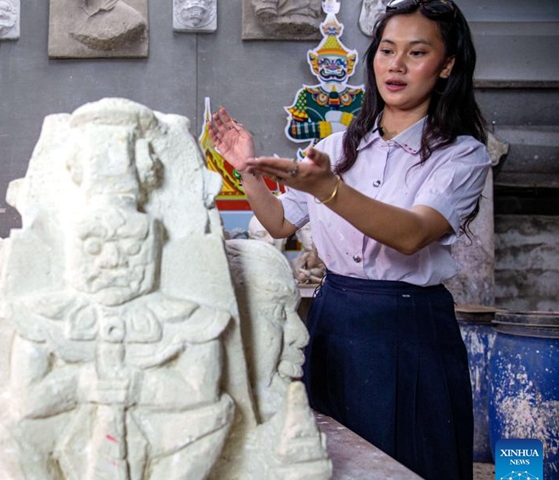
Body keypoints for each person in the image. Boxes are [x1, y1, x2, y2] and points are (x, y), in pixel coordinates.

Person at [207, 1, 490, 478]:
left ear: (446, 66)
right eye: (386, 50)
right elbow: (278, 223)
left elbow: (411, 233)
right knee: (334, 458)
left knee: (410, 458)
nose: (396, 66)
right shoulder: (338, 147)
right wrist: (244, 169)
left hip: (408, 328)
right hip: (335, 318)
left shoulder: (461, 155)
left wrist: (327, 188)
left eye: (416, 53)